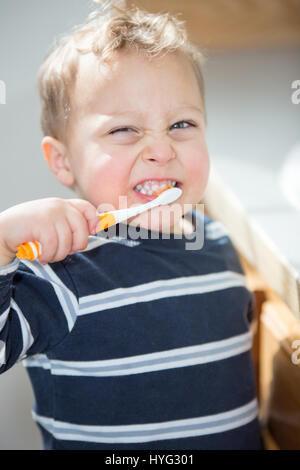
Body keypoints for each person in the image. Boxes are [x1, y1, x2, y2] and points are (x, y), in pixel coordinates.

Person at [0, 2, 263, 450]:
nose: (161, 149)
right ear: (63, 161)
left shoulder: (218, 240)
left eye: (181, 123)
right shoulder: (62, 269)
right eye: (124, 130)